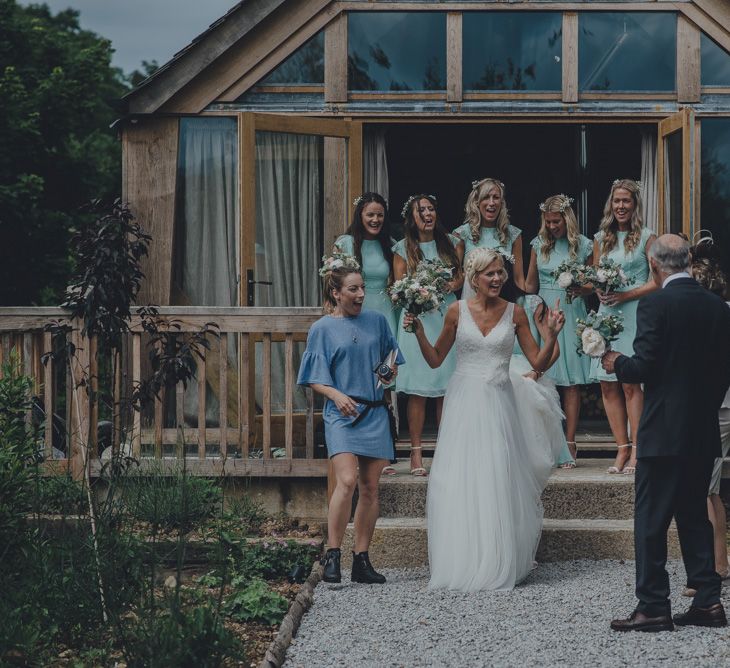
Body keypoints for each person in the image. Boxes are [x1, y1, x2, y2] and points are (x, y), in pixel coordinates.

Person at [405, 247, 565, 591]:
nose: (496, 279)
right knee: (461, 478)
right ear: (474, 278)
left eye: (500, 273)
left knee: (496, 476)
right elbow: (435, 360)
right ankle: (462, 560)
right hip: (464, 401)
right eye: (489, 274)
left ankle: (498, 559)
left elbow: (537, 362)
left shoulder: (516, 313)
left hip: (499, 401)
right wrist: (418, 331)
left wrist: (551, 335)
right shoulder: (455, 311)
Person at [603, 234, 730, 632]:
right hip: (701, 429)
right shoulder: (717, 306)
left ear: (655, 265)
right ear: (687, 260)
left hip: (662, 431)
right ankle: (709, 604)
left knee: (650, 522)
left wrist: (615, 361)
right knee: (694, 517)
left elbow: (645, 367)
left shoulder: (654, 303)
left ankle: (653, 606)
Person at [297, 264, 404, 584]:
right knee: (346, 481)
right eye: (353, 289)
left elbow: (392, 359)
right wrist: (336, 395)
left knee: (370, 488)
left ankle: (361, 560)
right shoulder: (322, 329)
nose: (360, 295)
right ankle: (333, 555)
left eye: (362, 289)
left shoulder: (378, 321)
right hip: (341, 414)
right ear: (336, 293)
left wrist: (388, 374)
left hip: (374, 413)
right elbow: (313, 377)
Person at [393, 194, 464, 476]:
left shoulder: (451, 243)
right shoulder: (402, 248)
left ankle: (446, 452)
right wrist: (416, 293)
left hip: (445, 316)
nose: (427, 214)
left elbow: (461, 276)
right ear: (412, 218)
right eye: (420, 211)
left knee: (446, 388)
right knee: (418, 390)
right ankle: (416, 453)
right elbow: (398, 286)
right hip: (416, 319)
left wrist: (451, 284)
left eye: (431, 209)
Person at [590, 179, 657, 475]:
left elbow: (658, 281)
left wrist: (626, 295)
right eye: (616, 201)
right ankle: (620, 449)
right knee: (607, 384)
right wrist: (600, 293)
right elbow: (595, 278)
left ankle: (637, 450)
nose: (620, 206)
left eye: (626, 201)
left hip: (633, 314)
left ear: (635, 205)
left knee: (631, 383)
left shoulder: (647, 238)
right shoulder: (600, 238)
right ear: (610, 204)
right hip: (607, 315)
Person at [525, 194, 593, 466]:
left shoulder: (584, 245)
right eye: (548, 222)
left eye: (557, 221)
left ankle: (570, 441)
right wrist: (532, 311)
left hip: (571, 311)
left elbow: (593, 285)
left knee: (572, 383)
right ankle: (544, 442)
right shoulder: (538, 244)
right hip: (543, 312)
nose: (552, 227)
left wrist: (581, 288)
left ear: (568, 219)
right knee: (542, 378)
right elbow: (530, 284)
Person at [682, 239, 730, 596]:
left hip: (718, 407)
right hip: (720, 404)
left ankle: (714, 569)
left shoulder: (709, 316)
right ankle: (719, 563)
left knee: (705, 488)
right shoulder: (723, 311)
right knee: (709, 490)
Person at [334, 192, 397, 335]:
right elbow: (334, 282)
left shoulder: (391, 245)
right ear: (360, 216)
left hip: (385, 309)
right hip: (355, 308)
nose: (376, 219)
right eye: (370, 215)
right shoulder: (345, 243)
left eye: (380, 215)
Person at [453, 177, 525, 299]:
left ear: (501, 203)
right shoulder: (462, 234)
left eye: (496, 197)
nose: (491, 203)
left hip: (504, 301)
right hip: (473, 302)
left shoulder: (513, 234)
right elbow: (456, 276)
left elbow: (518, 278)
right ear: (476, 202)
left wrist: (524, 305)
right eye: (486, 197)